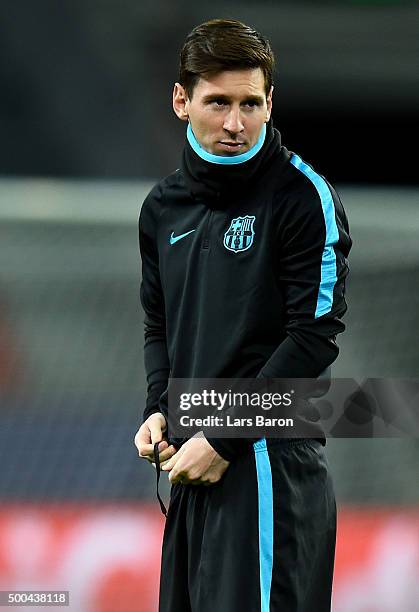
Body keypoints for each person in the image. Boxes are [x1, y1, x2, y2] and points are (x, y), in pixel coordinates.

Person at [134, 18, 351, 612]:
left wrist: (224, 437)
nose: (235, 123)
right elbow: (160, 327)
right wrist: (158, 408)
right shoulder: (162, 208)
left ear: (270, 101)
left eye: (251, 103)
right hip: (192, 468)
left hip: (265, 467)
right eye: (218, 102)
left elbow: (314, 338)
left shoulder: (302, 197)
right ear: (182, 101)